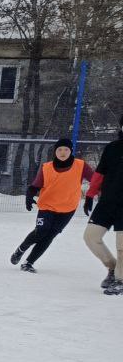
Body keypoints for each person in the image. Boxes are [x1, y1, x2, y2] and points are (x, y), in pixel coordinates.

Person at [9, 138, 94, 273]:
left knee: (50, 236)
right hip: (47, 207)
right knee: (41, 231)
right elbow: (35, 185)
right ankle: (21, 249)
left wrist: (90, 196)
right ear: (55, 152)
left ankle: (28, 263)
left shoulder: (81, 165)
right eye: (59, 149)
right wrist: (29, 196)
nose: (62, 152)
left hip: (67, 209)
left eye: (66, 149)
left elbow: (96, 180)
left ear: (71, 151)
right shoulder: (47, 167)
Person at [83, 115, 123, 295]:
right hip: (107, 202)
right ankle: (113, 268)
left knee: (122, 246)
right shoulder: (112, 148)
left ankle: (121, 281)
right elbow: (99, 174)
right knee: (91, 237)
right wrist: (90, 195)